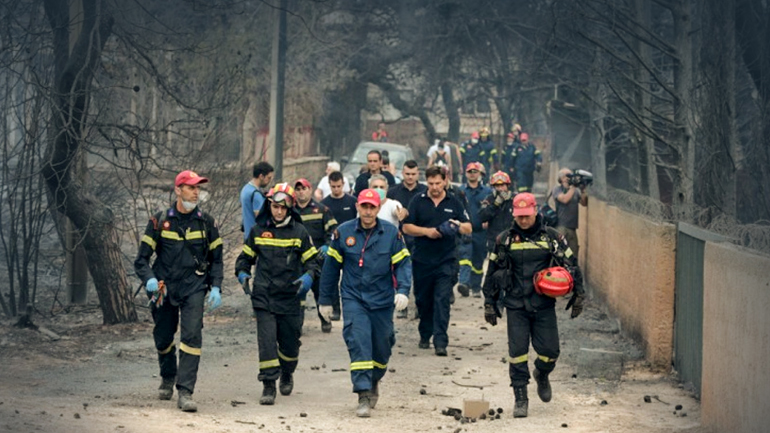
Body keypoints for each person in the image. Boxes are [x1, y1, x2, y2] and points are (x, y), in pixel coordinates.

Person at [482, 192, 585, 418]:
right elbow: (491, 272)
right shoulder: (504, 239)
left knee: (550, 352)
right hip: (516, 305)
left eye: (527, 216)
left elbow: (572, 264)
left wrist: (579, 294)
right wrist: (489, 302)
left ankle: (542, 373)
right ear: (514, 215)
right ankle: (521, 398)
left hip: (543, 304)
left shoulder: (552, 237)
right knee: (517, 353)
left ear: (535, 212)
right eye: (519, 217)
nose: (524, 221)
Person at [134, 170, 224, 412]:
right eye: (191, 187)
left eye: (198, 188)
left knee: (192, 336)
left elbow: (217, 259)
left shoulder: (207, 222)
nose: (196, 192)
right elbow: (141, 260)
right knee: (163, 337)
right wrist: (150, 279)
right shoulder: (159, 221)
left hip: (194, 287)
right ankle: (167, 374)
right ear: (178, 190)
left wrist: (216, 286)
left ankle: (185, 391)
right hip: (163, 287)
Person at [317, 188, 412, 417]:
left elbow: (403, 263)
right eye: (364, 207)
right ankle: (363, 394)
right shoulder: (343, 232)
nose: (368, 212)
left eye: (372, 207)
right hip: (353, 298)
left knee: (382, 345)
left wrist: (403, 291)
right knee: (358, 341)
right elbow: (330, 269)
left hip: (381, 299)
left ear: (379, 209)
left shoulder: (391, 233)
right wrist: (325, 301)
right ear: (357, 207)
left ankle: (374, 380)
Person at [235, 183, 320, 406]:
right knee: (267, 342)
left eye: (283, 207)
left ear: (290, 208)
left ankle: (287, 372)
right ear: (269, 206)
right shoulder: (258, 231)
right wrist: (243, 273)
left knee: (290, 345)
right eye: (275, 206)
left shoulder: (299, 232)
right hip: (264, 295)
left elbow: (313, 262)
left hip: (291, 296)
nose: (279, 211)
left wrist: (309, 277)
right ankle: (268, 385)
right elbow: (244, 259)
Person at [403, 166, 471, 356]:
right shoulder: (418, 201)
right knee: (423, 300)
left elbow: (468, 227)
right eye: (431, 183)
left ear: (445, 181)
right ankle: (425, 334)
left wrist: (456, 226)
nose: (434, 187)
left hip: (446, 260)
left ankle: (440, 341)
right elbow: (407, 227)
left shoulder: (454, 202)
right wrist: (427, 232)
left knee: (442, 300)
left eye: (438, 183)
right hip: (422, 259)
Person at [294, 178, 339, 330]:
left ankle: (325, 320)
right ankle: (297, 325)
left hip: (318, 259)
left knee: (320, 292)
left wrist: (327, 246)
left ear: (310, 189)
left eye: (304, 189)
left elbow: (333, 231)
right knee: (298, 293)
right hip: (297, 260)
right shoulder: (291, 212)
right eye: (298, 189)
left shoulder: (322, 210)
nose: (301, 192)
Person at [386, 160, 427, 319]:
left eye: (413, 174)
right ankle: (401, 304)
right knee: (398, 273)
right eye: (407, 174)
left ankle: (420, 305)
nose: (410, 177)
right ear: (402, 173)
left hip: (419, 238)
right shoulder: (393, 192)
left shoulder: (424, 191)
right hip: (398, 239)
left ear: (418, 174)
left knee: (419, 274)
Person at [457, 162, 492, 298]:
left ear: (480, 174)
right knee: (465, 258)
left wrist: (489, 220)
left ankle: (476, 287)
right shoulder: (460, 191)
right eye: (470, 171)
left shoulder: (487, 192)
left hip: (480, 232)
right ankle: (464, 284)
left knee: (478, 260)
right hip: (465, 230)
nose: (472, 174)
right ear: (466, 174)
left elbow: (491, 210)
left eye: (475, 171)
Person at [551, 168, 588, 259]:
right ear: (561, 179)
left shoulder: (575, 191)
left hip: (572, 228)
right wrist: (573, 187)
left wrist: (583, 190)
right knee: (560, 252)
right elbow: (564, 199)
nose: (570, 177)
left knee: (573, 254)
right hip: (561, 227)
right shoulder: (557, 189)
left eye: (571, 175)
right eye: (567, 175)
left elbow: (584, 203)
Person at [478, 171, 515, 253]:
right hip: (494, 241)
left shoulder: (514, 199)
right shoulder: (489, 199)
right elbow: (482, 216)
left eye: (502, 185)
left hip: (512, 240)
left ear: (508, 185)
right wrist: (495, 205)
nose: (500, 189)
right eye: (497, 186)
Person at [241, 161, 274, 240]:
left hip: (247, 236)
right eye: (268, 178)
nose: (269, 180)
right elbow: (261, 218)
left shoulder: (245, 189)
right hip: (256, 238)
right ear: (261, 176)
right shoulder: (255, 195)